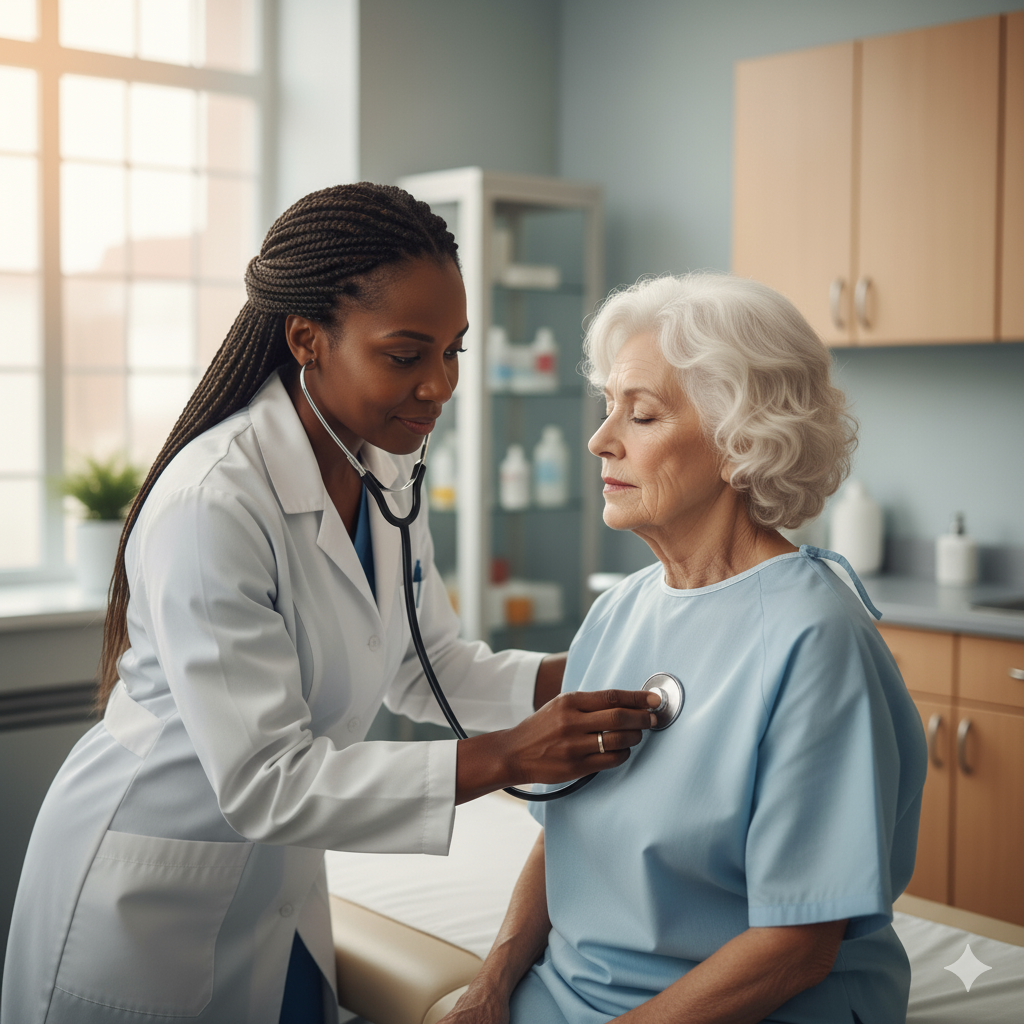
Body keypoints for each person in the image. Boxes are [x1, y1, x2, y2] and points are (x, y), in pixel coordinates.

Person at [1, 184, 659, 1024]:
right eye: (406, 354)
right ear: (307, 339)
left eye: (452, 351)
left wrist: (585, 676)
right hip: (150, 894)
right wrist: (505, 757)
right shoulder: (215, 502)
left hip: (274, 886)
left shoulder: (383, 470)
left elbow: (430, 665)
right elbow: (266, 780)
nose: (438, 387)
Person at [439, 273, 928, 1024]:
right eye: (608, 409)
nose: (601, 440)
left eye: (642, 415)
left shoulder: (815, 637)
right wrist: (492, 983)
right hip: (573, 995)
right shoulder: (616, 613)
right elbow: (563, 838)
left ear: (742, 444)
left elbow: (797, 946)